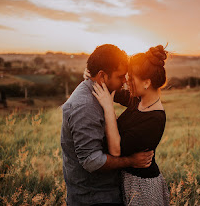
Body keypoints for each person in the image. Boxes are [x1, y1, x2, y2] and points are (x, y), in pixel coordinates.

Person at [61, 44, 154, 206]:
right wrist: (131, 161)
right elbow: (92, 161)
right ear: (102, 76)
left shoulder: (101, 89)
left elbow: (141, 99)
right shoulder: (84, 107)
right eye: (120, 76)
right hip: (93, 198)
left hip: (104, 192)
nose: (125, 80)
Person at [92, 45, 170, 205]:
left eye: (131, 78)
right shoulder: (139, 101)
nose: (126, 82)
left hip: (142, 188)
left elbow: (115, 149)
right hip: (126, 180)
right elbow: (116, 92)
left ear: (147, 82)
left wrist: (108, 107)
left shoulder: (154, 120)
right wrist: (95, 75)